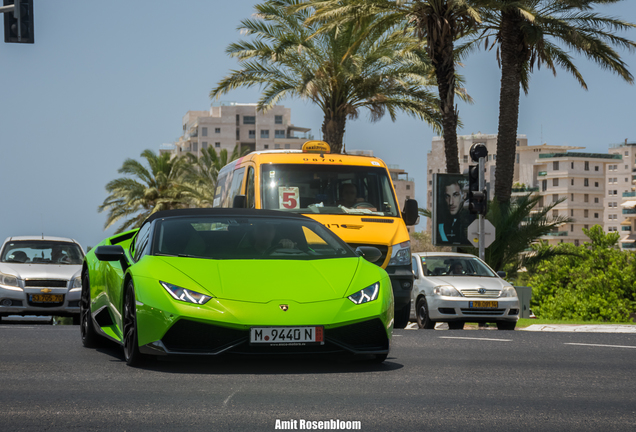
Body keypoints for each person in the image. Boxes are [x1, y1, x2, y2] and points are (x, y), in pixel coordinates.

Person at [437, 180, 470, 245]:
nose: (451, 202)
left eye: (455, 195)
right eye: (447, 196)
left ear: (464, 195)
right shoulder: (441, 227)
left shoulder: (469, 222)